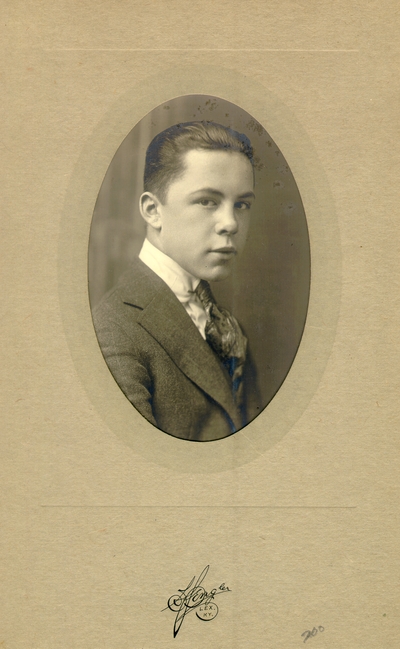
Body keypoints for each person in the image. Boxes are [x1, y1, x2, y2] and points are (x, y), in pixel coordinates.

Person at [92, 121, 262, 442]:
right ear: (153, 210)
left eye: (242, 204)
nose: (230, 223)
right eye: (208, 201)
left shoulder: (223, 322)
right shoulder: (113, 331)